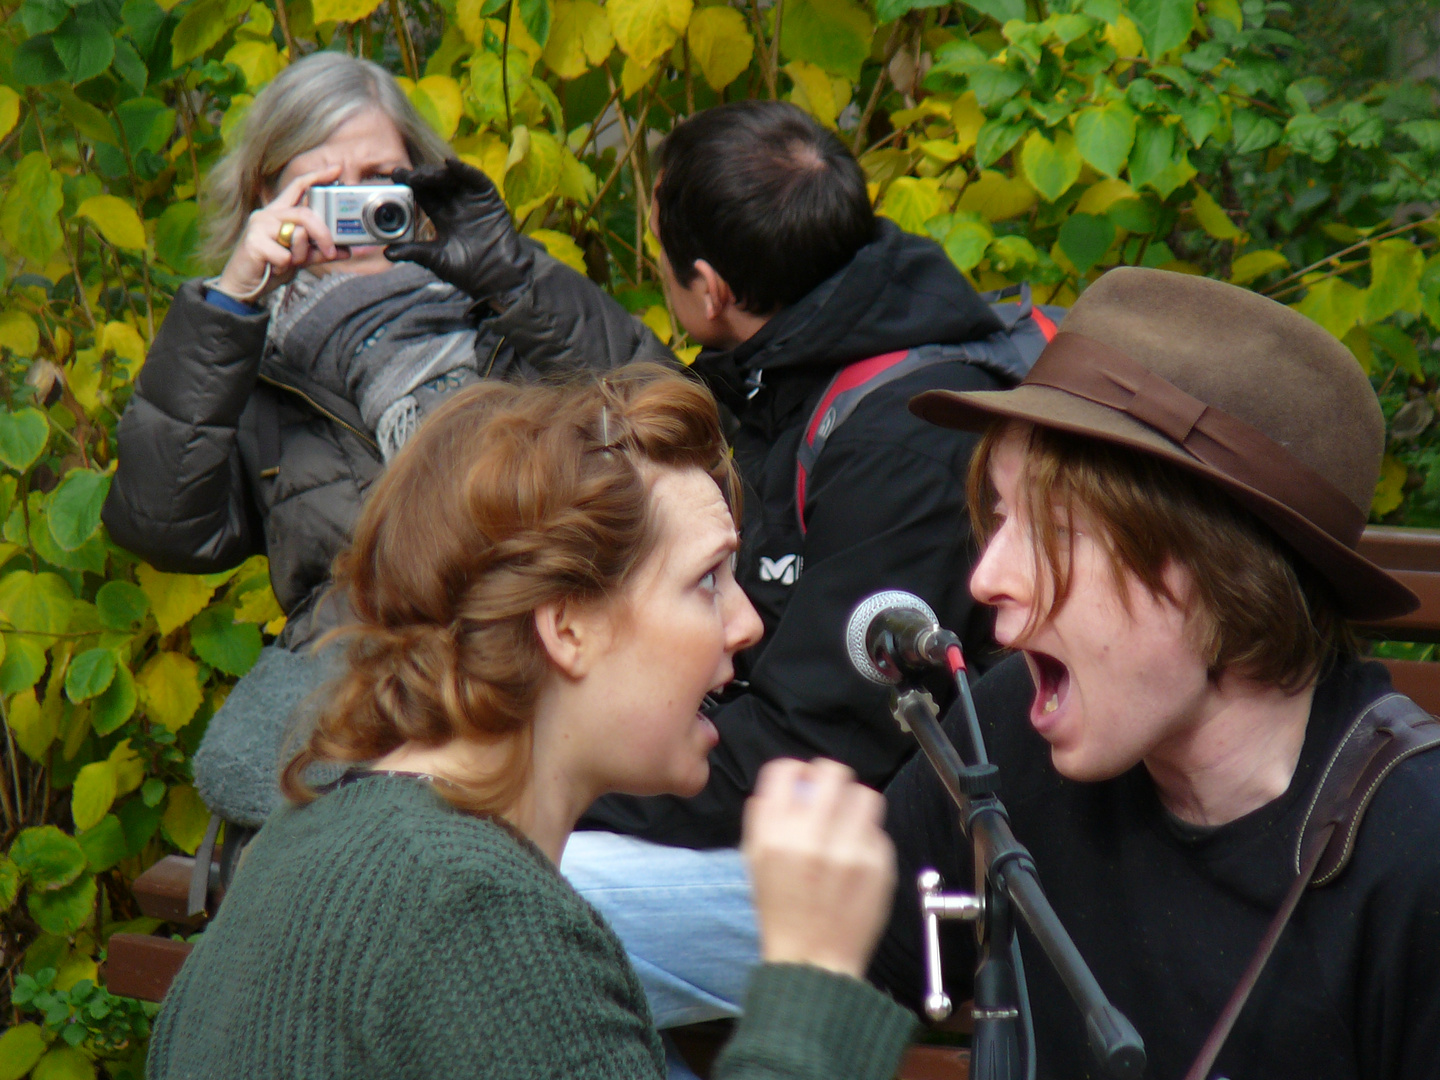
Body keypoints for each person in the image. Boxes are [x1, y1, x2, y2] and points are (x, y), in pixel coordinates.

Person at [145, 364, 916, 1080]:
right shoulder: (475, 916)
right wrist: (813, 980)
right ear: (567, 625)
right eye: (706, 580)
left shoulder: (307, 843)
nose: (746, 624)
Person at [868, 267, 1440, 1079]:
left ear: (1218, 571)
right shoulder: (1001, 739)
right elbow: (842, 979)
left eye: (1056, 529)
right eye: (1000, 517)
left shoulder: (1415, 856)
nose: (986, 576)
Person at [561, 101, 1030, 1034]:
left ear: (709, 289)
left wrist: (557, 782)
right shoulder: (787, 378)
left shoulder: (904, 440)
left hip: (895, 884)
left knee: (505, 905)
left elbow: (808, 757)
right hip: (774, 826)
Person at [102, 51, 666, 650]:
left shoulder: (501, 304)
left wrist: (514, 277)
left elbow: (667, 415)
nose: (355, 208)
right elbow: (160, 528)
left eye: (378, 180)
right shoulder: (247, 359)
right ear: (266, 195)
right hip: (372, 692)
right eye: (324, 188)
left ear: (420, 181)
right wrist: (231, 303)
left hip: (541, 652)